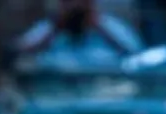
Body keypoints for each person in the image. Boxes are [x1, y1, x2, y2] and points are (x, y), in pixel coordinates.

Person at [12, 0, 144, 68]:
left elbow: (137, 54)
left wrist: (98, 26)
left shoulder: (110, 26)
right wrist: (56, 28)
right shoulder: (48, 28)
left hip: (105, 93)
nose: (75, 5)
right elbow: (20, 51)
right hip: (55, 93)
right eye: (68, 1)